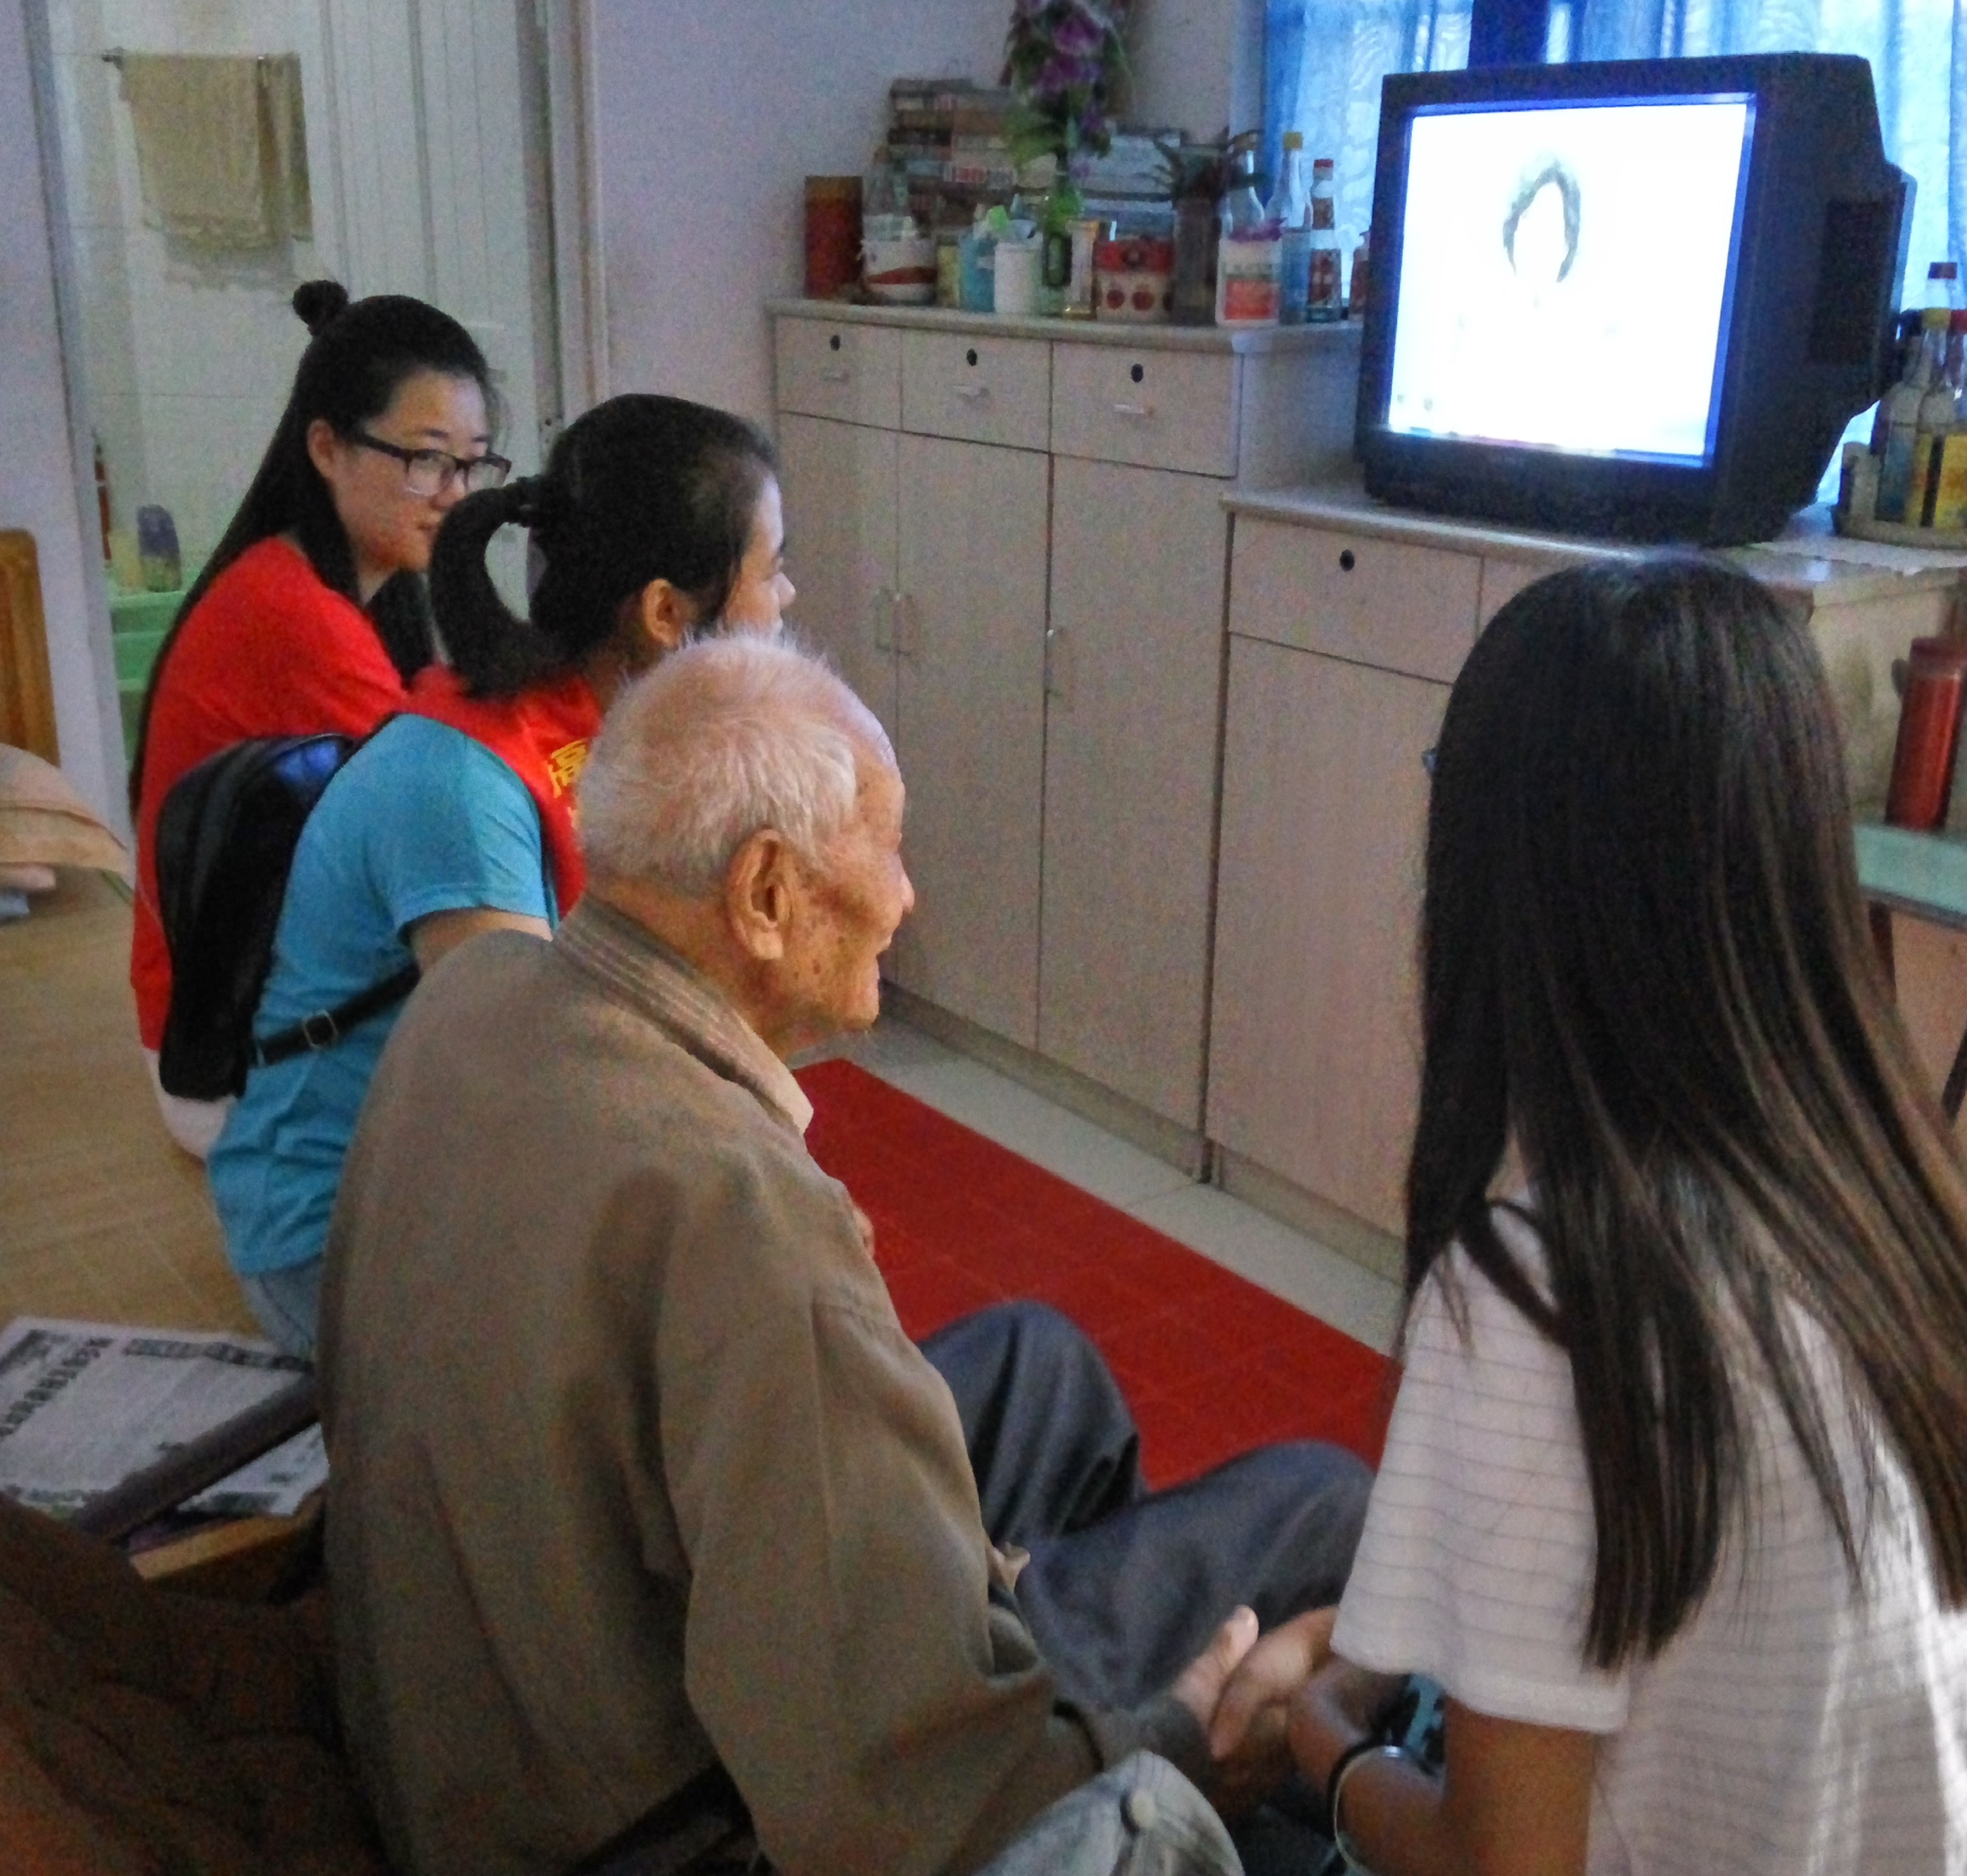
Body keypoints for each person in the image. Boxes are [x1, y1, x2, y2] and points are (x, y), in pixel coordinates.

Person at [317, 634, 1372, 1876]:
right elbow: (890, 1811)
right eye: (889, 846)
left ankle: (1036, 1623)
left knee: (1043, 1364)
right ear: (766, 895)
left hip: (466, 1707)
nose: (907, 897)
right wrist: (1173, 1746)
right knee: (1322, 1497)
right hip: (650, 1823)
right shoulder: (743, 1217)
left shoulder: (479, 988)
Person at [1206, 556, 1967, 1875]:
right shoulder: (1902, 1210)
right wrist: (1346, 1647)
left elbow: (1506, 1866)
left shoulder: (1547, 1300)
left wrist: (1328, 1743)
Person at [207, 394, 792, 1359]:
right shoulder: (467, 785)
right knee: (691, 1365)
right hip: (336, 1236)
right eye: (771, 572)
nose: (786, 602)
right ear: (665, 614)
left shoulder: (615, 742)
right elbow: (530, 1095)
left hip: (461, 1191)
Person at [130, 279, 499, 1158]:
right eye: (426, 460)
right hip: (224, 1061)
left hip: (252, 1010)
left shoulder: (353, 591)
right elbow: (451, 792)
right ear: (328, 448)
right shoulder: (290, 615)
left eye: (474, 465)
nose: (454, 495)